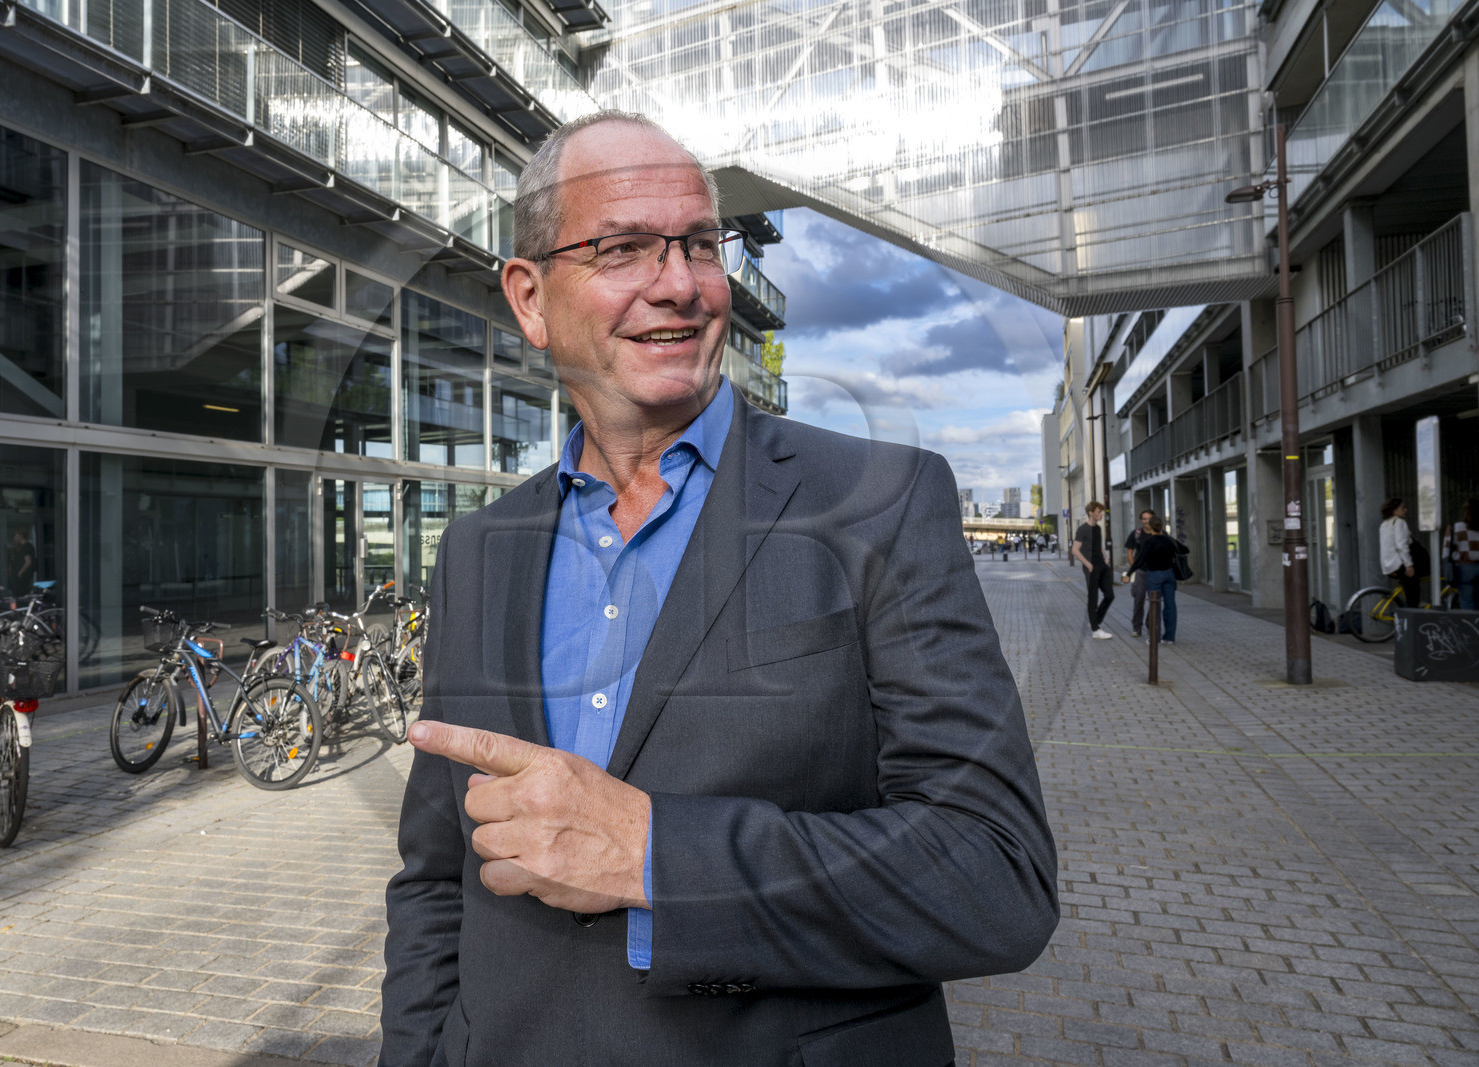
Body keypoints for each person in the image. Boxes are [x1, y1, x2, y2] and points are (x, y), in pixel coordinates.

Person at [380, 111, 1059, 1067]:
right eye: (623, 247)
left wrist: (657, 854)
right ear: (530, 299)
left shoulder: (881, 505)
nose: (684, 284)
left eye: (701, 243)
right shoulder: (476, 552)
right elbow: (436, 878)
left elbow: (996, 875)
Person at [1127, 515, 1180, 644]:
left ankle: (1154, 638)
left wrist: (1129, 573)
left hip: (1154, 575)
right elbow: (1184, 549)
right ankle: (1169, 637)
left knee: (1155, 605)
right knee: (1170, 605)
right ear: (1161, 526)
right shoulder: (1169, 540)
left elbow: (1140, 559)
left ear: (1151, 527)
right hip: (1169, 574)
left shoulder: (1149, 541)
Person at [1071, 501, 1114, 639]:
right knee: (1093, 598)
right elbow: (1075, 550)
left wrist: (1104, 556)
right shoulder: (1083, 529)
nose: (1101, 515)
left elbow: (1097, 545)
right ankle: (1096, 630)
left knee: (1109, 595)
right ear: (1091, 513)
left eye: (1102, 512)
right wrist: (1088, 565)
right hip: (1091, 567)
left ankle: (1095, 620)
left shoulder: (1098, 528)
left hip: (1102, 565)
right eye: (1098, 512)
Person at [1123, 508, 1156, 638]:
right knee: (1139, 600)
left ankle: (1150, 624)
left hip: (1155, 573)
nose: (1146, 521)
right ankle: (1137, 627)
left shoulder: (1159, 533)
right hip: (1141, 571)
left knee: (1154, 600)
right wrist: (1134, 568)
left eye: (1149, 519)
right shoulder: (1136, 534)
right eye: (1144, 519)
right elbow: (1130, 552)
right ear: (1141, 520)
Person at [1380, 497, 1418, 609]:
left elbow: (1385, 547)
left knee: (1408, 591)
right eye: (1402, 507)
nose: (1405, 510)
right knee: (1413, 597)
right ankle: (1408, 620)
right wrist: (1409, 565)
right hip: (1400, 564)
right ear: (1394, 510)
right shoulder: (1399, 522)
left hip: (1390, 565)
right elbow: (1402, 546)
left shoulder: (1384, 524)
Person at [1444, 498, 1479, 610]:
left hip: (1464, 568)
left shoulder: (1456, 528)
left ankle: (1469, 626)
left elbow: (1446, 550)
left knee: (1466, 602)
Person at [6, 529, 35, 597]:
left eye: (15, 536)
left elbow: (28, 561)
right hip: (16, 577)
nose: (14, 538)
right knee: (16, 594)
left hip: (21, 577)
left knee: (21, 595)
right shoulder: (18, 548)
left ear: (20, 535)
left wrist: (20, 572)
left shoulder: (27, 546)